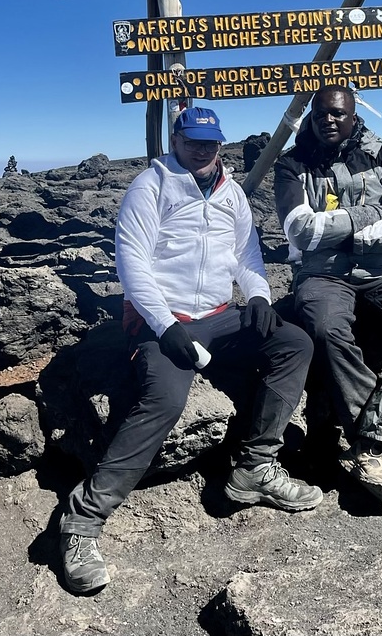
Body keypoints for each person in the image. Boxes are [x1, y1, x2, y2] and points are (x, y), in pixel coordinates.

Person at [59, 107, 322, 594]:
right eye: (193, 141)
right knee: (165, 400)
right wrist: (164, 326)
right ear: (176, 140)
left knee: (295, 342)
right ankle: (82, 522)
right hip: (162, 322)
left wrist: (259, 297)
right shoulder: (150, 187)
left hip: (219, 314)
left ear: (220, 144)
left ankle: (254, 466)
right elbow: (131, 264)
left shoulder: (231, 192)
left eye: (211, 142)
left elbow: (246, 255)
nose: (203, 150)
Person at [274, 85, 382, 504]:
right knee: (326, 328)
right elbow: (302, 230)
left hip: (380, 272)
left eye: (338, 114)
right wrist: (372, 214)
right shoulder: (292, 164)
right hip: (321, 275)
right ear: (311, 119)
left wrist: (345, 236)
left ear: (354, 117)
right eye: (320, 115)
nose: (329, 121)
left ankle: (377, 441)